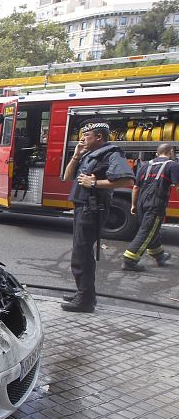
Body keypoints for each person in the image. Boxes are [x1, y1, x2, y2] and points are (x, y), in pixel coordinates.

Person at [61, 119, 134, 313]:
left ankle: (85, 300)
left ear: (99, 137)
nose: (82, 140)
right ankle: (84, 294)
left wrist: (95, 184)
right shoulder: (88, 154)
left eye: (86, 136)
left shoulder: (111, 153)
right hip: (81, 208)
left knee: (81, 255)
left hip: (91, 209)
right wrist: (76, 156)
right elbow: (68, 177)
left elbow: (126, 179)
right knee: (81, 254)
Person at [121, 143, 179, 271]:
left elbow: (136, 187)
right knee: (147, 231)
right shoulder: (172, 165)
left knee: (152, 228)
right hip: (156, 204)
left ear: (157, 153)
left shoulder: (145, 165)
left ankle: (159, 255)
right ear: (170, 152)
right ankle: (129, 259)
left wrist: (133, 205)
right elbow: (177, 186)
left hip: (142, 202)